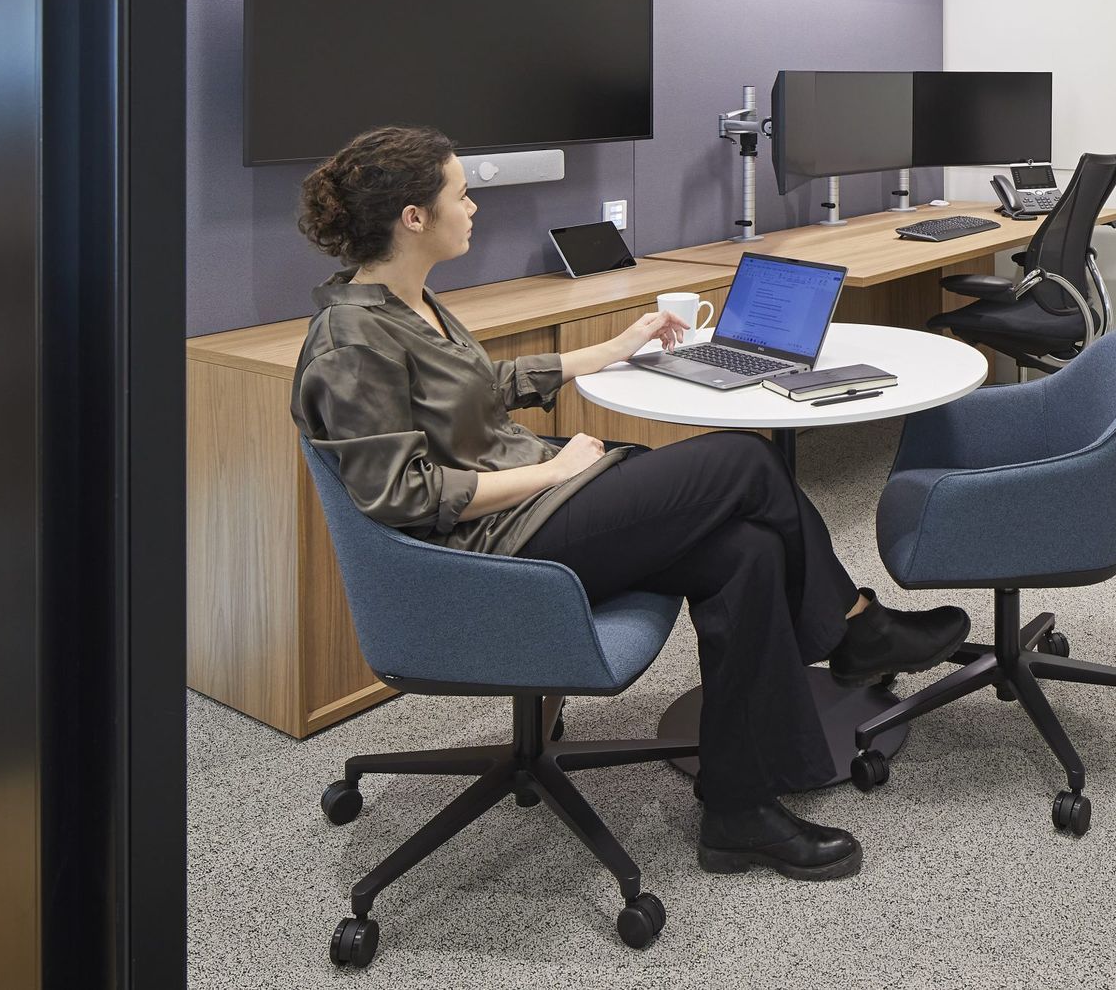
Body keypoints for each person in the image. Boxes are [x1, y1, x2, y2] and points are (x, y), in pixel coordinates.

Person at [289, 125, 971, 881]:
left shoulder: (411, 304)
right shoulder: (351, 340)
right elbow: (399, 495)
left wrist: (619, 346)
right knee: (747, 458)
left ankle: (739, 811)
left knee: (745, 552)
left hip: (534, 515)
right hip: (491, 555)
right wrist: (548, 476)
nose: (473, 205)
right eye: (460, 193)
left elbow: (488, 386)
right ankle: (856, 628)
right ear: (412, 218)